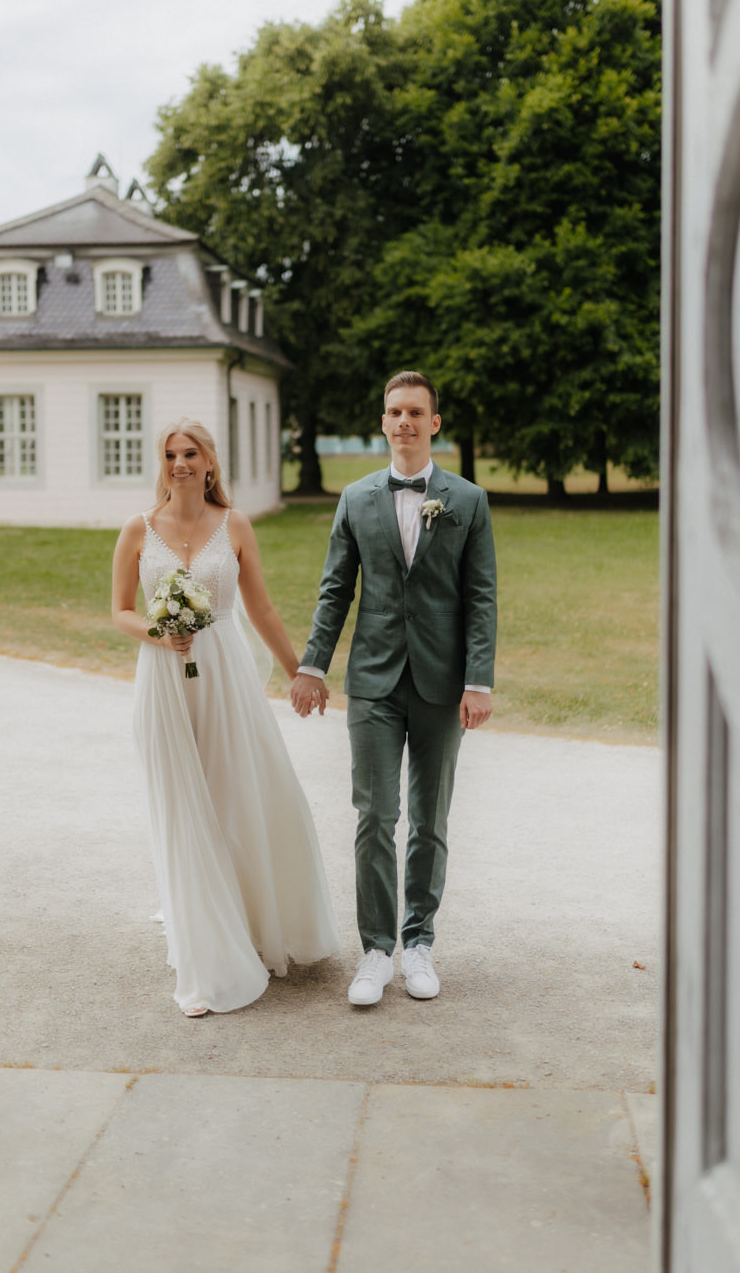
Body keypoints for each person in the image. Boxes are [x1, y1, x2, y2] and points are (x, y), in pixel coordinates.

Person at [112, 419, 338, 1017]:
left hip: (226, 679)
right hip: (163, 681)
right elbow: (120, 612)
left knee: (237, 795)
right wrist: (160, 634)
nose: (180, 463)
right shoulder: (138, 528)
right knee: (182, 802)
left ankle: (251, 921)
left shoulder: (235, 526)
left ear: (210, 462)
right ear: (162, 464)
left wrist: (298, 670)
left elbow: (260, 606)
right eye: (170, 455)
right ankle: (203, 942)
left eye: (191, 453)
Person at [290, 372, 497, 1006]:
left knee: (429, 820)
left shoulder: (468, 500)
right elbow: (335, 590)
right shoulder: (355, 499)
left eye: (415, 412)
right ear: (383, 422)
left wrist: (479, 680)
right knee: (375, 815)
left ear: (435, 422)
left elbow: (480, 598)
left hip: (440, 682)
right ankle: (376, 949)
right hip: (375, 681)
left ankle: (418, 942)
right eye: (393, 412)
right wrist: (312, 666)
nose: (403, 421)